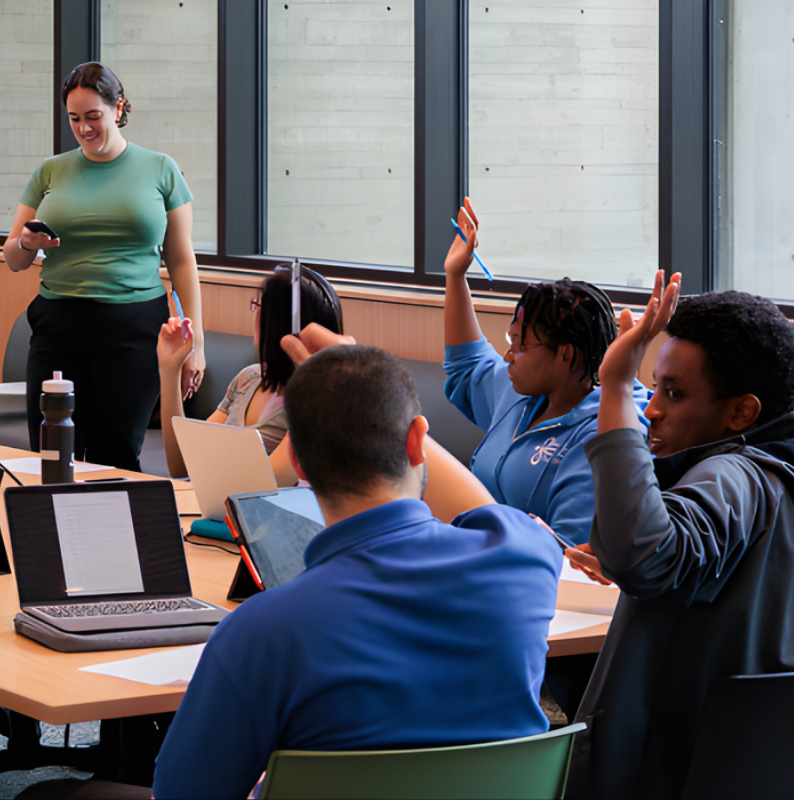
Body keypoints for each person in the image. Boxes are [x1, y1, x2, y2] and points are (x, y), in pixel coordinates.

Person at [152, 343, 564, 800]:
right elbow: (484, 509)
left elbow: (180, 793)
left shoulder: (260, 632)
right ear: (417, 440)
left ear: (301, 466)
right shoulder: (524, 557)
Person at [565, 274, 794, 798]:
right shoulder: (784, 478)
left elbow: (646, 558)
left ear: (741, 412)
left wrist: (618, 386)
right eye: (652, 387)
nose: (652, 409)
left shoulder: (735, 476)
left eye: (673, 392)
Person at [2, 62, 204, 472]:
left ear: (118, 107)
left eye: (93, 116)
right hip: (58, 326)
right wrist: (26, 242)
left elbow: (182, 262)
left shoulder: (160, 169)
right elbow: (14, 258)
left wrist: (194, 343)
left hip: (133, 329)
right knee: (55, 457)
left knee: (117, 457)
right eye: (74, 118)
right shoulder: (51, 171)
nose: (83, 128)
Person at [443, 200, 650, 546]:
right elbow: (468, 364)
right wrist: (455, 276)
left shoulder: (604, 433)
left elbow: (570, 549)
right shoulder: (522, 391)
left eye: (520, 345)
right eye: (510, 341)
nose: (508, 355)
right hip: (471, 554)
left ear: (565, 354)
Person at [157, 264, 343, 479]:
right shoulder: (249, 379)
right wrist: (170, 367)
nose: (256, 313)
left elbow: (272, 482)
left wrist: (316, 385)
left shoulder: (314, 402)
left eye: (259, 304)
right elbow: (183, 464)